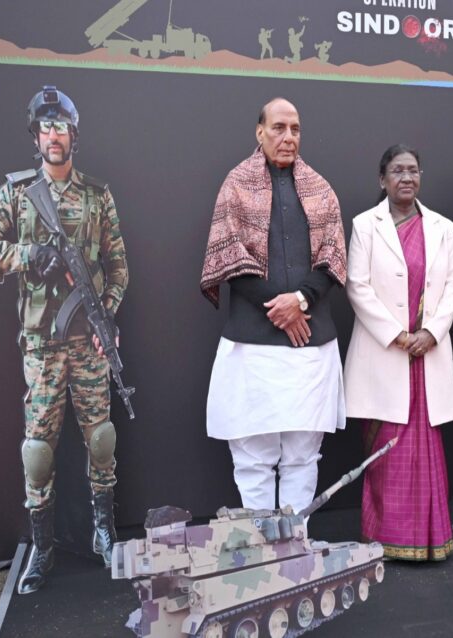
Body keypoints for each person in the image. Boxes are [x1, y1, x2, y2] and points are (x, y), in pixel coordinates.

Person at [0, 85, 129, 593]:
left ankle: (103, 532)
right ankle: (43, 546)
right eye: (46, 127)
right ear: (35, 135)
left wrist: (108, 317)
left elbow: (119, 268)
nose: (53, 135)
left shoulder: (97, 196)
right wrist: (25, 255)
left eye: (61, 127)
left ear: (73, 135)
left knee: (101, 439)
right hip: (41, 345)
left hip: (88, 343)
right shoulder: (17, 194)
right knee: (38, 450)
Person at [200, 97, 347, 515]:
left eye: (295, 129)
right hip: (252, 348)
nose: (288, 137)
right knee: (253, 459)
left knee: (303, 456)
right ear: (259, 132)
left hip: (310, 347)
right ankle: (261, 542)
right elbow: (228, 257)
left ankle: (295, 541)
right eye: (279, 128)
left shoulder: (320, 188)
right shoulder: (236, 184)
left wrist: (300, 300)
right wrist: (279, 308)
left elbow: (334, 258)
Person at [344, 144, 453, 560]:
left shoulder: (442, 227)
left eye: (413, 170)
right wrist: (397, 335)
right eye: (397, 170)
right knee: (388, 452)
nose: (407, 177)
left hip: (427, 356)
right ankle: (385, 538)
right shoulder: (365, 225)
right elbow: (357, 286)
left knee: (425, 449)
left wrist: (430, 332)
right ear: (383, 179)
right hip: (386, 355)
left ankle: (430, 539)